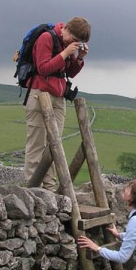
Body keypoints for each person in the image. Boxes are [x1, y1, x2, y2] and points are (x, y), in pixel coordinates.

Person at [24, 17, 91, 190]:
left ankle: (50, 187)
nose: (75, 43)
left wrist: (79, 58)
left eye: (79, 42)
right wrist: (66, 53)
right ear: (67, 29)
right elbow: (43, 68)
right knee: (37, 143)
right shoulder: (46, 38)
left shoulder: (66, 45)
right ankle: (32, 188)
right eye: (75, 39)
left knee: (55, 143)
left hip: (59, 97)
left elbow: (69, 72)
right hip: (40, 94)